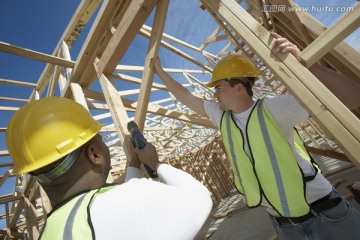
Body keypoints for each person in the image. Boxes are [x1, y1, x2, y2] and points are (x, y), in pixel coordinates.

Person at [152, 32, 360, 240]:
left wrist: (306, 65)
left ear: (239, 88)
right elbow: (186, 96)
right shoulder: (222, 117)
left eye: (219, 87)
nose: (214, 94)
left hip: (324, 213)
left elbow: (351, 98)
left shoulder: (274, 108)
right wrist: (159, 71)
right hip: (284, 225)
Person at [6, 97, 213, 240]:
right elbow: (200, 197)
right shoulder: (134, 199)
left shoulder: (52, 230)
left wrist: (133, 165)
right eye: (101, 139)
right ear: (94, 154)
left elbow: (112, 208)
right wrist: (155, 163)